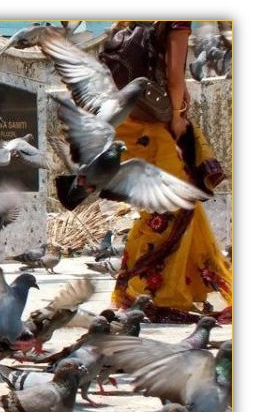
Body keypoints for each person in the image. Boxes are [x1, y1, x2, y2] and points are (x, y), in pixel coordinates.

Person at [99, 21, 232, 323]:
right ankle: (157, 292)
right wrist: (178, 117)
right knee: (175, 206)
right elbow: (175, 78)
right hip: (156, 124)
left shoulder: (129, 19)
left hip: (126, 125)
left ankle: (170, 286)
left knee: (165, 208)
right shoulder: (174, 19)